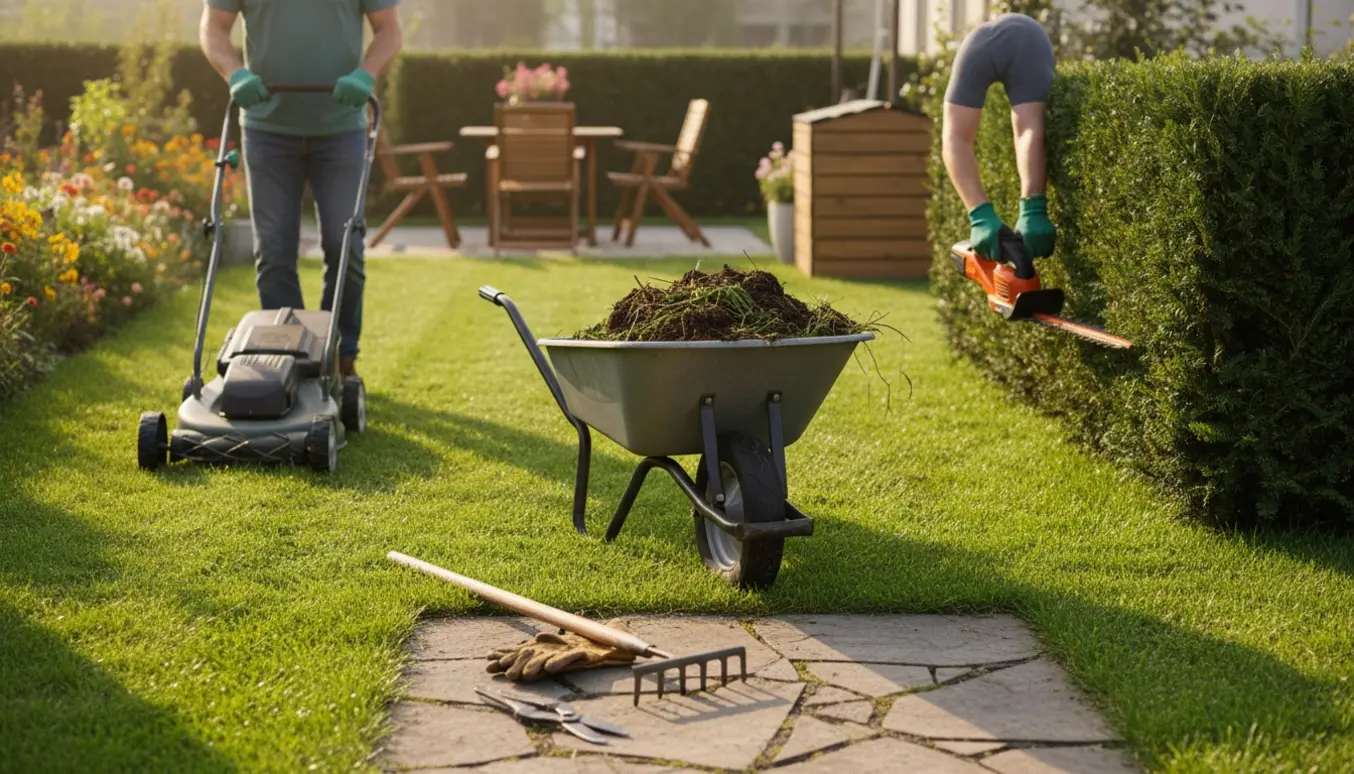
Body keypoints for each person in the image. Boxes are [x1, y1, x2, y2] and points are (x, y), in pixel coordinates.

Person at [199, 0, 404, 386]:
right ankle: (289, 359)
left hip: (341, 128)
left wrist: (367, 73)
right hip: (267, 128)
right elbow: (213, 27)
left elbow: (389, 28)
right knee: (274, 252)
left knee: (345, 246)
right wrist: (235, 73)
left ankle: (340, 355)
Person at [941, 12, 1057, 264]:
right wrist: (1031, 210)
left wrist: (980, 215)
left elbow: (955, 138)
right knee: (1031, 122)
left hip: (980, 44)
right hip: (1029, 38)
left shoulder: (977, 44)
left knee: (955, 132)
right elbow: (1028, 129)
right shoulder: (1030, 41)